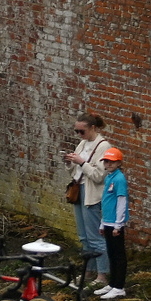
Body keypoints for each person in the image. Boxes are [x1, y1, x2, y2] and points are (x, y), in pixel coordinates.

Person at [66, 114, 115, 289]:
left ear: (93, 128)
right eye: (76, 131)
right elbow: (76, 171)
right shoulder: (83, 143)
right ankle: (89, 270)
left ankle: (102, 274)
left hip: (92, 193)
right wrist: (71, 162)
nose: (79, 134)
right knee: (83, 236)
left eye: (82, 131)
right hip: (79, 190)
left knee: (95, 236)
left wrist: (81, 162)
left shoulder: (103, 147)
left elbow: (99, 175)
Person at [97, 147, 130, 299]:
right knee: (111, 253)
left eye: (112, 162)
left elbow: (121, 201)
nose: (109, 164)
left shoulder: (119, 179)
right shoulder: (109, 177)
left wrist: (118, 224)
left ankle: (119, 286)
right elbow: (106, 202)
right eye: (107, 161)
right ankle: (112, 283)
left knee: (118, 255)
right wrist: (103, 223)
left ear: (118, 163)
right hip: (108, 222)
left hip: (115, 224)